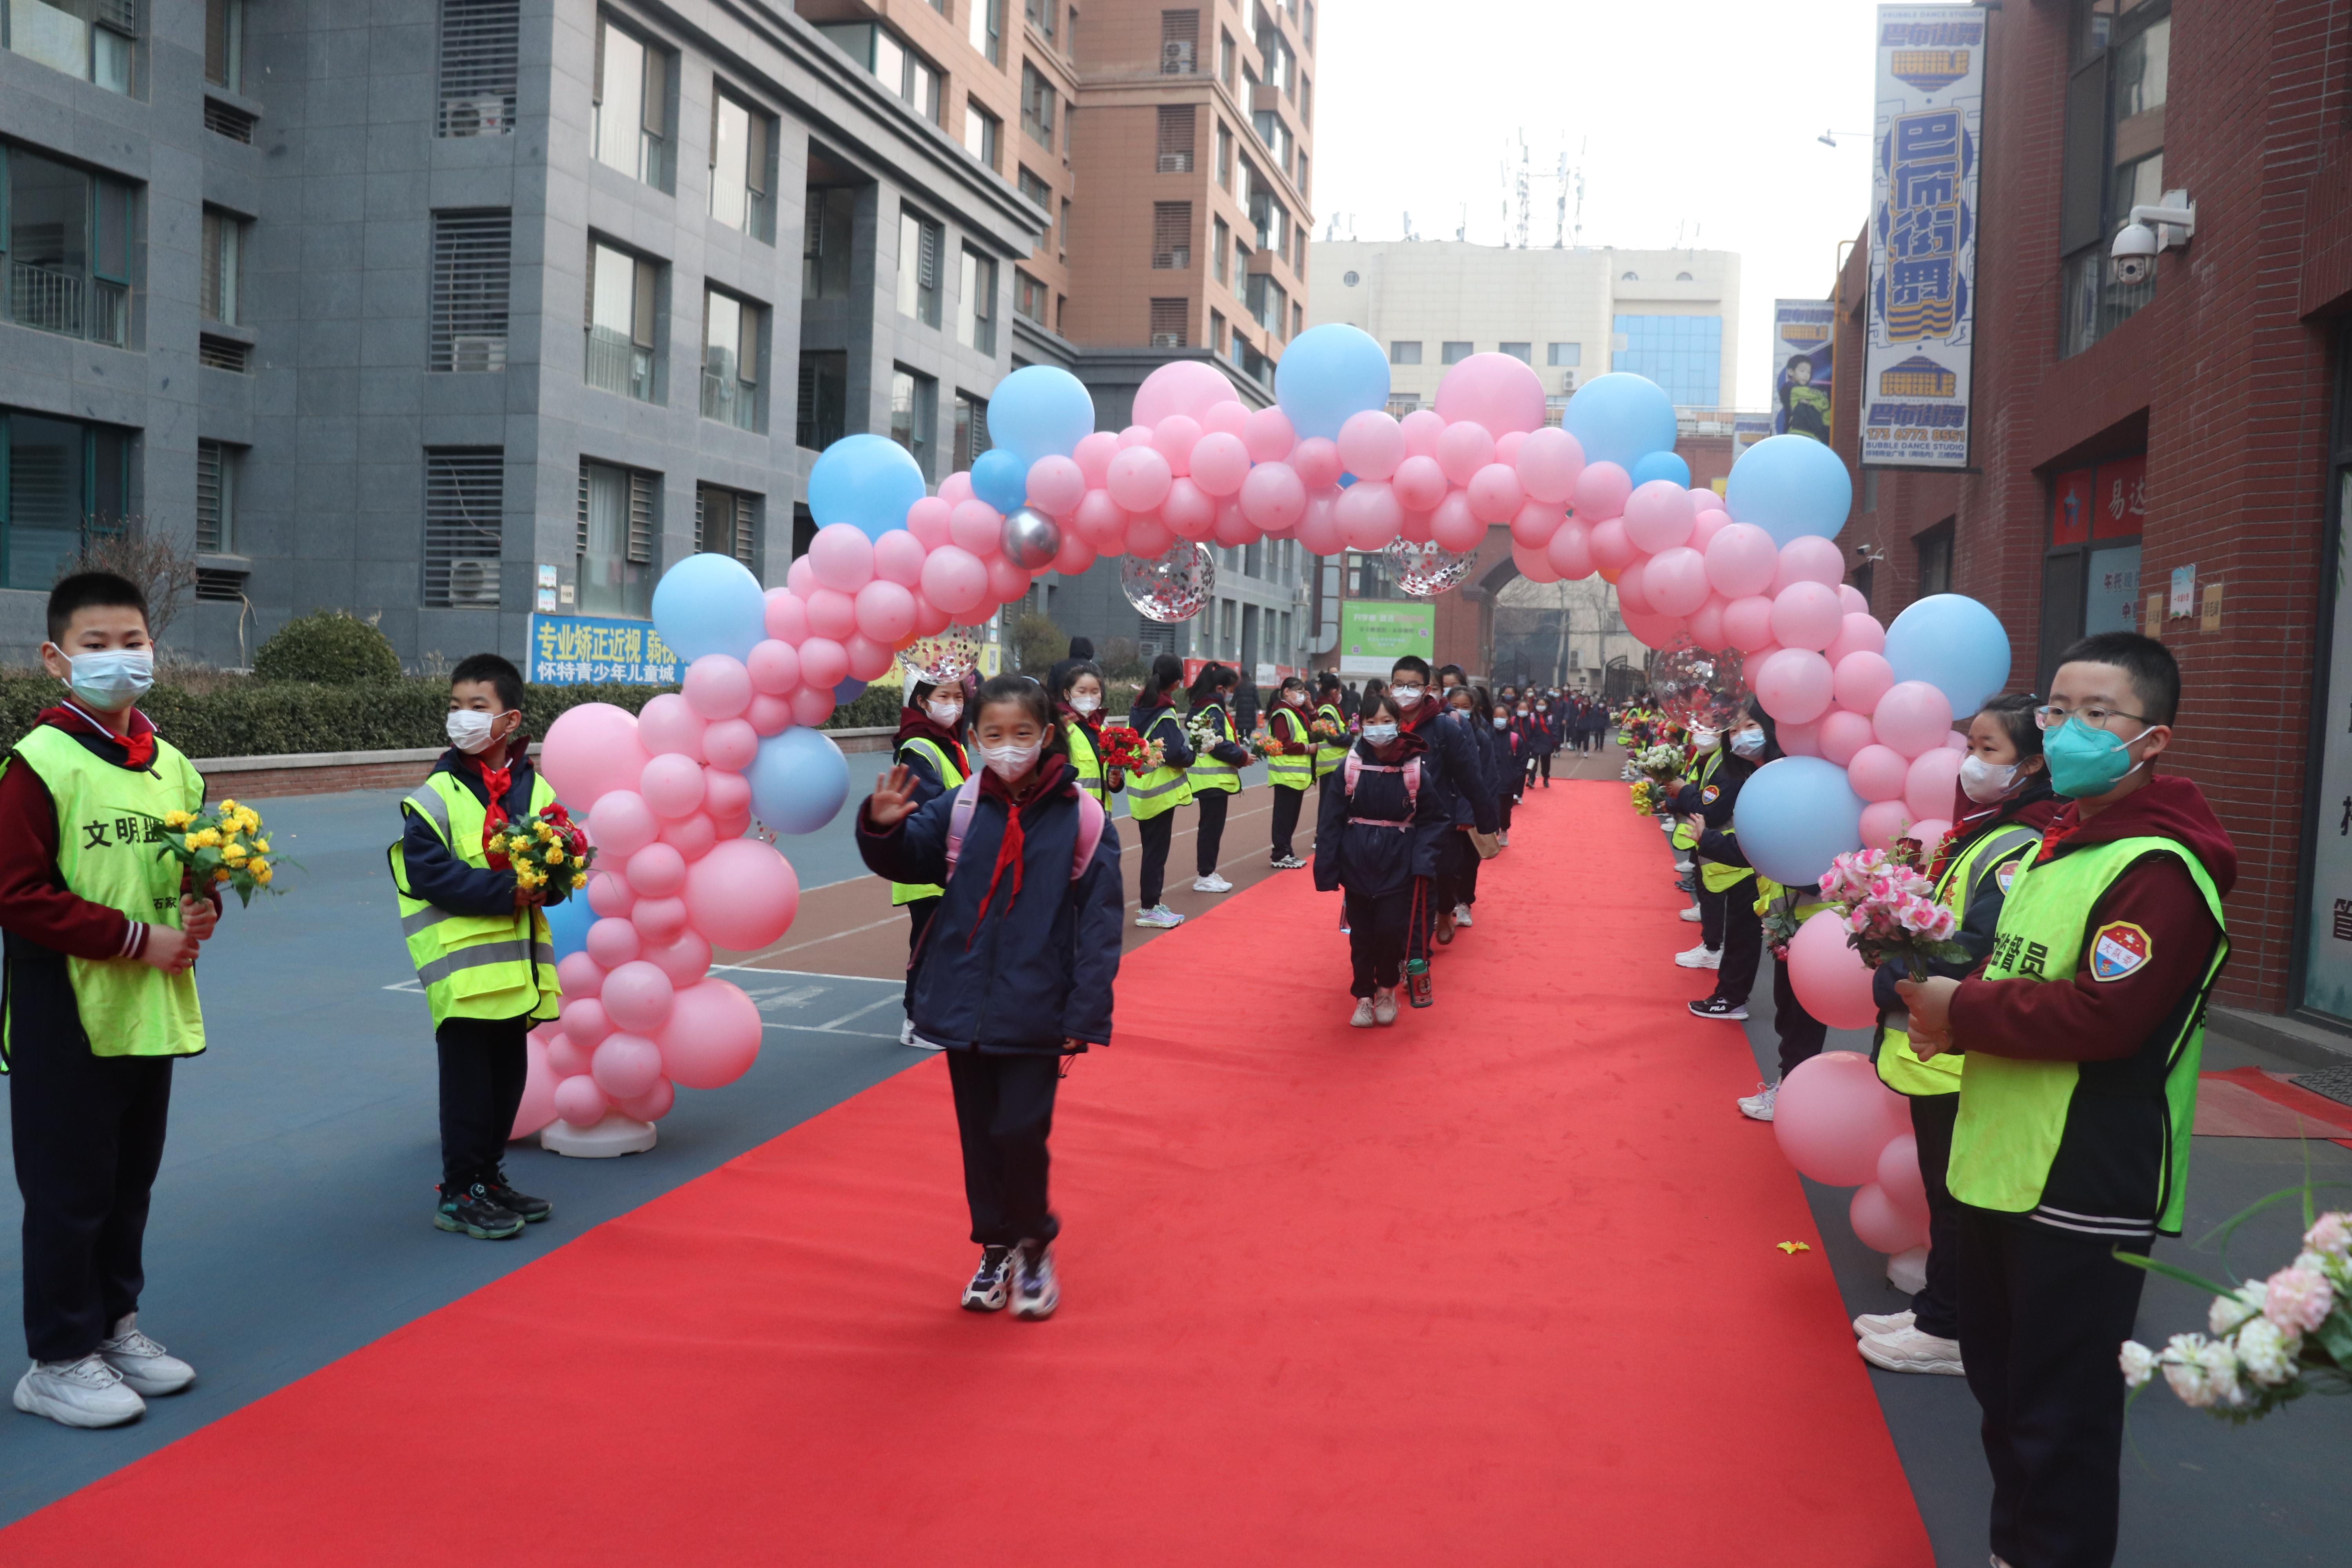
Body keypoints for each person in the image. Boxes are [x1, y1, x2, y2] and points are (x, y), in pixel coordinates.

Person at [1898, 636, 2230, 1568]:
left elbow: (2105, 1012)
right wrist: (1932, 991)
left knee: (2060, 1412)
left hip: (2086, 1173)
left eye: (2099, 714)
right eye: (2058, 709)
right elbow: (2019, 969)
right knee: (2003, 1387)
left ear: (2152, 738)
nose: (2071, 728)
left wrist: (1957, 1008)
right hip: (2006, 1158)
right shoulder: (2062, 843)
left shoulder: (2159, 867)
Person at [2, 573, 216, 1429]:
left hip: (151, 1008)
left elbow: (193, 866)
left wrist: (205, 902)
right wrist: (135, 938)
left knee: (129, 1181)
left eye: (132, 640)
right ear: (56, 658)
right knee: (69, 1188)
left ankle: (112, 1324)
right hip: (68, 1011)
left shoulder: (172, 763)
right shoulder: (37, 763)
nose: (119, 657)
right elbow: (17, 892)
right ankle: (56, 1358)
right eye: (96, 644)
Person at [857, 675, 1124, 1322]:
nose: (1009, 748)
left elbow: (1100, 926)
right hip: (965, 1004)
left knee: (1020, 1132)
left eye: (1023, 735)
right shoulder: (963, 807)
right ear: (974, 738)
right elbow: (911, 856)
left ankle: (1034, 1243)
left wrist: (1084, 1013)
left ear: (1047, 737)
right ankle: (996, 1246)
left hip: (1038, 1007)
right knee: (981, 1137)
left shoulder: (1083, 818)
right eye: (995, 735)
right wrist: (883, 829)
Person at [1853, 692, 2058, 1379]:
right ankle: (1936, 1312)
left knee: (1959, 1197)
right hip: (1937, 1045)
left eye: (1988, 750)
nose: (1971, 763)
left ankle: (1949, 1329)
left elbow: (1975, 948)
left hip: (1954, 1052)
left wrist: (1893, 976)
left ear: (2030, 765)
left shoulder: (2017, 843)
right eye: (1970, 746)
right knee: (1946, 1194)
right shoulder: (1990, 827)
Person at [391, 652, 563, 1242]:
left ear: (509, 720)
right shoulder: (434, 795)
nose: (461, 717)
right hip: (463, 974)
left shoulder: (534, 789)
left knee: (506, 1082)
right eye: (456, 706)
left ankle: (489, 1179)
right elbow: (429, 875)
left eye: (477, 707)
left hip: (515, 974)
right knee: (467, 1089)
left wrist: (555, 881)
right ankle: (460, 1191)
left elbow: (560, 857)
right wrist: (508, 889)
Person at [1313, 691, 1446, 1026]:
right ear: (1361, 725)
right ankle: (1363, 996)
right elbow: (1330, 820)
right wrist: (1327, 869)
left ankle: (1387, 989)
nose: (1379, 729)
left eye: (1387, 722)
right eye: (1371, 722)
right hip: (1357, 865)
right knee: (1361, 936)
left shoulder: (1415, 768)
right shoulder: (1351, 766)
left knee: (1390, 932)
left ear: (1399, 725)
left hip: (1399, 867)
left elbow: (1435, 819)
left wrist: (1423, 860)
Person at [1390, 656, 1497, 956]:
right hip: (1393, 823)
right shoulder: (1384, 722)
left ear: (1427, 690)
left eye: (1413, 686)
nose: (1405, 692)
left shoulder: (1447, 727)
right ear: (1390, 687)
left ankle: (1433, 928)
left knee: (1439, 877)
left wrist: (1482, 819)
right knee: (1400, 888)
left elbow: (1470, 778)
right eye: (1400, 685)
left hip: (1437, 821)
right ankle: (1406, 950)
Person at [885, 678, 971, 1046]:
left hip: (949, 863)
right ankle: (916, 1024)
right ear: (922, 701)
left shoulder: (951, 744)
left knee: (946, 945)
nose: (953, 704)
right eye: (944, 697)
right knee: (927, 945)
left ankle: (940, 1016)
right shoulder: (918, 746)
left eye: (959, 697)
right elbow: (930, 805)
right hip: (925, 864)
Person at [1674, 701, 1769, 1022]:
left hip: (1745, 868)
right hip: (1743, 864)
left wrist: (1707, 836)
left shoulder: (1756, 771)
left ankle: (1731, 997)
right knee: (1741, 930)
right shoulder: (1742, 766)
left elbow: (1712, 810)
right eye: (1734, 730)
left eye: (1751, 727)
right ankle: (1729, 996)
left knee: (1744, 935)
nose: (1741, 736)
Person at [1125, 655, 1196, 929]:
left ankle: (1152, 904)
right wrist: (1192, 755)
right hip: (1158, 793)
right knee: (1156, 852)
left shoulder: (1140, 705)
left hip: (1142, 788)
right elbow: (1176, 753)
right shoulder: (1164, 712)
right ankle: (1149, 907)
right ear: (1177, 682)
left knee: (1152, 850)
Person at [1182, 664, 1252, 893]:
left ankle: (1208, 872)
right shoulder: (1211, 710)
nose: (1232, 695)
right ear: (1220, 688)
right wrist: (1242, 757)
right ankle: (1204, 875)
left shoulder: (1205, 708)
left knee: (1211, 829)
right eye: (1231, 690)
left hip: (1212, 781)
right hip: (1211, 780)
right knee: (1211, 830)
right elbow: (1218, 744)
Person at [1264, 675, 1316, 869]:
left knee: (1291, 817)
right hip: (1286, 775)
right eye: (1300, 692)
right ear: (1287, 692)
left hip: (1297, 776)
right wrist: (1307, 749)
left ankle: (1287, 851)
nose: (1303, 696)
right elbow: (1284, 744)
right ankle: (1280, 854)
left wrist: (1310, 706)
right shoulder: (1282, 714)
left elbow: (1315, 727)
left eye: (1304, 693)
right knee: (1284, 817)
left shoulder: (1296, 712)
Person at [1049, 659, 1118, 805]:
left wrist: (1116, 779)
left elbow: (1111, 766)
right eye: (1082, 691)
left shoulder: (1103, 730)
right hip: (1073, 812)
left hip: (1102, 814)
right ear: (1067, 695)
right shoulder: (1061, 727)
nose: (1089, 697)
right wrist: (1057, 737)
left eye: (1095, 692)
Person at [1313, 674, 1350, 796]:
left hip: (1332, 764)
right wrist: (1349, 739)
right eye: (1339, 691)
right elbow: (1333, 735)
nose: (1340, 694)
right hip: (1331, 764)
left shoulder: (1326, 707)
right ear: (1334, 692)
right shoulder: (1327, 710)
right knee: (1329, 803)